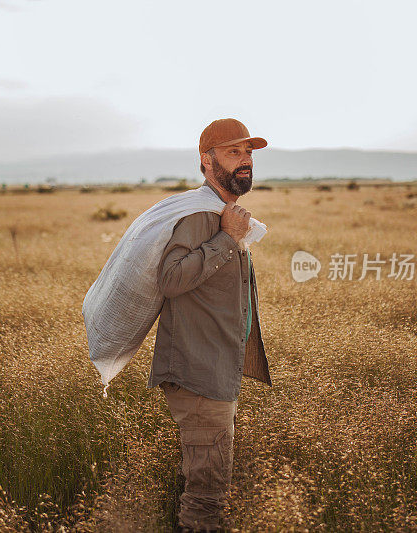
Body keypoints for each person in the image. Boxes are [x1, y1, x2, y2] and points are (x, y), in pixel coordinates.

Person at [146, 118, 272, 532]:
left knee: (206, 487)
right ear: (207, 160)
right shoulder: (201, 215)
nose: (245, 162)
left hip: (213, 370)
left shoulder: (223, 212)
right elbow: (170, 279)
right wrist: (226, 240)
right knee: (207, 498)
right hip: (199, 376)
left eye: (248, 153)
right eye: (234, 152)